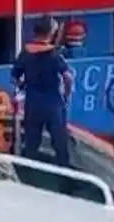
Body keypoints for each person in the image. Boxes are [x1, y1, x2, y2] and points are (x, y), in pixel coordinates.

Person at [12, 19, 74, 167]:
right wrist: (66, 94)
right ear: (50, 33)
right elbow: (68, 77)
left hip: (33, 103)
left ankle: (28, 174)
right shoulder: (54, 54)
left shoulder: (25, 53)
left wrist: (23, 86)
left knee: (31, 144)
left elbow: (15, 77)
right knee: (60, 144)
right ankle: (65, 175)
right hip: (53, 103)